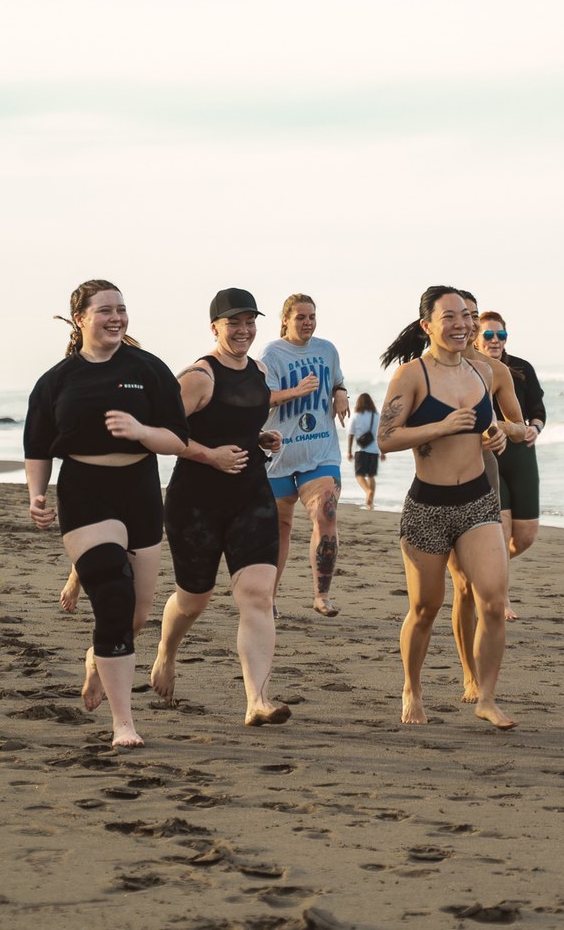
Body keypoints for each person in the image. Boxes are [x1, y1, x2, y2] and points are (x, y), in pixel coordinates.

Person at [25, 280, 187, 749]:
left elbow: (177, 440)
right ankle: (123, 723)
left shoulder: (148, 369)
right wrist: (37, 494)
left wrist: (140, 430)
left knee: (134, 616)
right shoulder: (58, 380)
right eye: (105, 310)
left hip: (138, 489)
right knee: (113, 597)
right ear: (80, 318)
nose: (116, 317)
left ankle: (98, 657)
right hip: (85, 490)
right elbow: (37, 446)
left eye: (121, 309)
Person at [149, 289, 291, 726]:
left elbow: (243, 418)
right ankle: (166, 653)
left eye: (250, 321)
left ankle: (258, 700)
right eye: (234, 323)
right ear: (215, 328)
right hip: (196, 503)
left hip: (251, 495)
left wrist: (259, 438)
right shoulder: (198, 377)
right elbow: (160, 434)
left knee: (257, 596)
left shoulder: (260, 370)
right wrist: (210, 454)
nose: (244, 330)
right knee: (194, 601)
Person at [377, 285, 516, 729]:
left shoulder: (483, 373)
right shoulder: (411, 377)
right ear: (427, 326)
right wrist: (437, 426)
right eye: (449, 317)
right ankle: (412, 688)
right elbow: (385, 438)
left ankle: (487, 697)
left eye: (466, 317)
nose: (462, 325)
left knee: (493, 601)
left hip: (477, 501)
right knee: (425, 609)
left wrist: (495, 437)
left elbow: (491, 427)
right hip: (428, 506)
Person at [262, 294, 349, 616]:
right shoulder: (272, 353)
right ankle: (268, 599)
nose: (308, 322)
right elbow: (262, 398)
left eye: (312, 316)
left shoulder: (327, 350)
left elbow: (337, 382)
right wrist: (296, 392)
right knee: (279, 528)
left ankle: (321, 596)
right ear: (285, 319)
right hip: (280, 454)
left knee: (326, 514)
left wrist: (341, 394)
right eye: (300, 317)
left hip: (321, 450)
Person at [476, 310, 546, 591]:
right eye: (489, 335)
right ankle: (500, 596)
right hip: (487, 455)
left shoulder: (521, 368)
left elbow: (537, 409)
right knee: (501, 529)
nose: (496, 340)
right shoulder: (469, 370)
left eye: (501, 335)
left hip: (521, 453)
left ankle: (486, 565)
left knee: (526, 535)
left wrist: (535, 427)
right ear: (477, 339)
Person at [347, 392, 381, 510]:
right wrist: (384, 451)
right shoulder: (376, 415)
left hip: (361, 450)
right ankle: (369, 502)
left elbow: (351, 434)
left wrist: (349, 451)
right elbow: (381, 434)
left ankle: (367, 491)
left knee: (359, 475)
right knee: (371, 475)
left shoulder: (356, 416)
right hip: (374, 450)